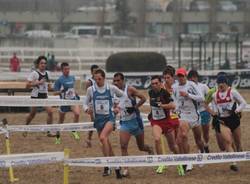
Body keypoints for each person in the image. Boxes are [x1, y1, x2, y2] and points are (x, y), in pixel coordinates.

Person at [83, 69, 123, 179]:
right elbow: (85, 103)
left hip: (109, 118)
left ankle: (107, 164)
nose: (97, 81)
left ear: (104, 78)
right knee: (106, 143)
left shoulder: (111, 88)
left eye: (99, 79)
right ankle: (117, 166)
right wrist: (87, 110)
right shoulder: (91, 90)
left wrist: (118, 107)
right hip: (98, 120)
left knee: (102, 137)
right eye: (95, 79)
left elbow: (123, 96)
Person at [113, 72, 153, 177]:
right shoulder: (113, 92)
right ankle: (126, 169)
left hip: (135, 121)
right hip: (125, 123)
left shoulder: (129, 89)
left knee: (141, 147)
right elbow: (115, 106)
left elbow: (144, 98)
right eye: (115, 81)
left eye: (118, 80)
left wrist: (135, 107)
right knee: (123, 145)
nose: (116, 82)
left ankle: (150, 150)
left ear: (123, 80)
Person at [206, 74, 246, 171]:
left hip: (234, 120)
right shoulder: (214, 95)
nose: (220, 85)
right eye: (219, 83)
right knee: (228, 141)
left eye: (222, 83)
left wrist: (237, 110)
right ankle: (233, 163)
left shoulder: (233, 92)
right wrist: (214, 114)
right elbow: (212, 107)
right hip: (223, 121)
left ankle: (238, 154)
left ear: (226, 83)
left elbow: (243, 103)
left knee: (238, 144)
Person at [148, 75, 183, 175]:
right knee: (157, 139)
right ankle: (161, 162)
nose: (154, 85)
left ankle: (179, 164)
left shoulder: (165, 93)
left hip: (166, 122)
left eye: (156, 83)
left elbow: (173, 105)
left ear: (160, 83)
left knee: (172, 146)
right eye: (152, 84)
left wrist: (162, 105)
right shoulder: (150, 92)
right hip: (156, 122)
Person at [173, 68, 205, 171]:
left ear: (185, 76)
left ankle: (202, 153)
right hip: (183, 116)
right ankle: (188, 161)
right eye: (179, 76)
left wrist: (188, 95)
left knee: (198, 140)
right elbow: (176, 100)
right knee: (183, 135)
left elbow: (201, 98)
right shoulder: (175, 87)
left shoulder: (191, 85)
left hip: (194, 116)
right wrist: (176, 110)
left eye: (182, 76)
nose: (180, 78)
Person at [24, 56, 53, 137]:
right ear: (38, 64)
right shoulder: (34, 73)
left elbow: (49, 87)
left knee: (50, 112)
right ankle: (25, 128)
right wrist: (37, 83)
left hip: (44, 96)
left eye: (45, 63)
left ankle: (48, 131)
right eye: (41, 63)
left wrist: (55, 87)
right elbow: (27, 85)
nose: (43, 65)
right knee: (33, 114)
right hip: (35, 96)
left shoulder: (48, 73)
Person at [53, 62, 80, 144]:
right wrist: (61, 91)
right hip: (64, 102)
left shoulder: (72, 77)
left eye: (68, 69)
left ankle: (74, 130)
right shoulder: (59, 80)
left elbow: (72, 88)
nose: (67, 70)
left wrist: (76, 94)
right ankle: (57, 137)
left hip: (72, 100)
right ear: (62, 70)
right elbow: (54, 93)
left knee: (77, 114)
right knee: (61, 121)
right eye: (65, 69)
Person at [187, 70, 211, 153]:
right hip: (194, 113)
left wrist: (207, 103)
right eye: (191, 77)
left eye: (194, 77)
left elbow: (210, 97)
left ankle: (206, 144)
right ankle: (200, 151)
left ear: (197, 78)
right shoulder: (187, 88)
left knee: (206, 133)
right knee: (197, 134)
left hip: (204, 111)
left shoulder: (203, 86)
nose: (193, 79)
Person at [85, 64, 99, 147]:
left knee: (96, 122)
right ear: (91, 72)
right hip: (92, 105)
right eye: (95, 71)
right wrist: (89, 106)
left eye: (97, 71)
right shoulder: (89, 82)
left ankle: (89, 139)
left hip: (100, 104)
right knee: (95, 122)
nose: (96, 73)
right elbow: (87, 95)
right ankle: (89, 139)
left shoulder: (100, 80)